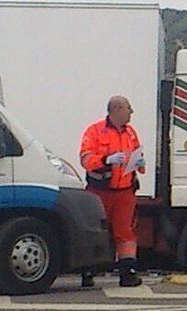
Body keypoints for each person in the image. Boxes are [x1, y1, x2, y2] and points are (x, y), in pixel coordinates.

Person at [79, 95, 145, 287]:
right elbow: (85, 159)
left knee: (126, 233)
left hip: (125, 192)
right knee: (96, 231)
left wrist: (140, 164)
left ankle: (128, 273)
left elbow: (137, 156)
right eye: (128, 108)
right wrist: (106, 160)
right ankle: (88, 271)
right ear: (116, 110)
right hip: (100, 192)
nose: (131, 112)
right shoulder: (94, 131)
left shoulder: (130, 132)